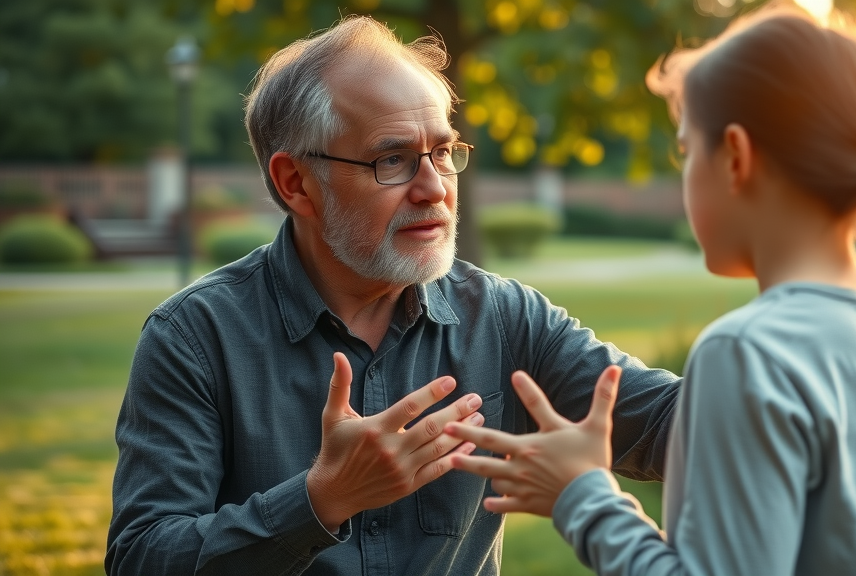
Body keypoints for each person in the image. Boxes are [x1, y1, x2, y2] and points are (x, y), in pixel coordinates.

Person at [104, 15, 682, 576]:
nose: (434, 188)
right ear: (295, 183)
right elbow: (142, 557)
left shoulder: (504, 318)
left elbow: (671, 425)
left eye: (443, 153)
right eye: (393, 160)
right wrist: (319, 501)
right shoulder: (195, 337)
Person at [446, 6, 856, 576]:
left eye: (688, 151)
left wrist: (583, 494)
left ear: (736, 157)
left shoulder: (745, 351)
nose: (685, 172)